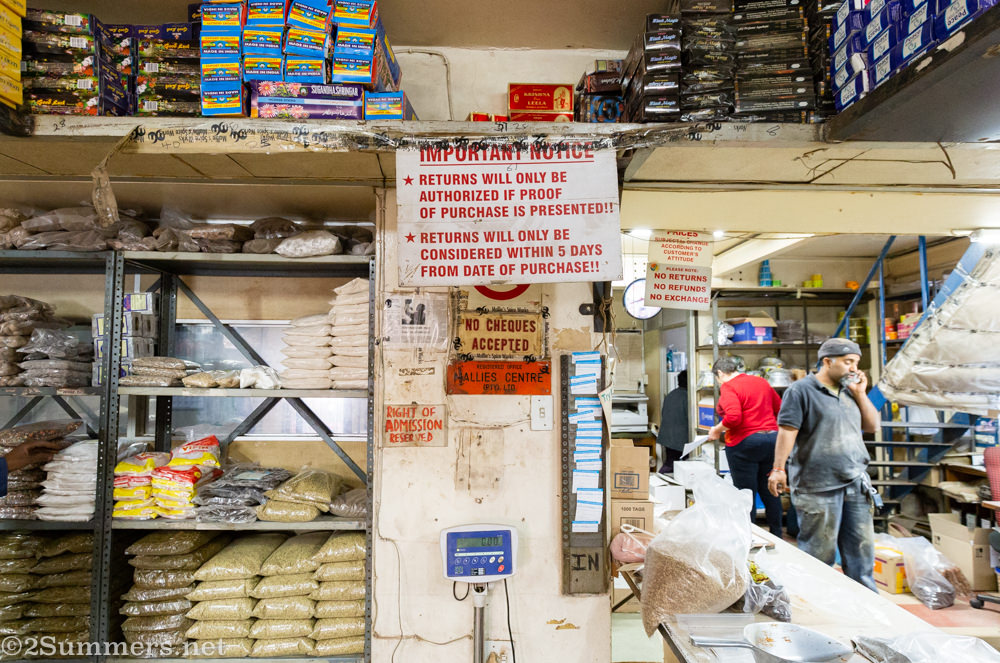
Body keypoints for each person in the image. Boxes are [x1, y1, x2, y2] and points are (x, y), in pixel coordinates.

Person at [768, 338, 880, 592]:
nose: (854, 368)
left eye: (856, 363)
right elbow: (787, 432)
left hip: (855, 483)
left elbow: (873, 426)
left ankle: (866, 612)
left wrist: (861, 394)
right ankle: (819, 609)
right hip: (817, 486)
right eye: (848, 362)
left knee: (861, 557)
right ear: (827, 362)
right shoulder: (801, 391)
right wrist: (778, 469)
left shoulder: (851, 390)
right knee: (819, 558)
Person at [707, 357, 785, 536]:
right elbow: (779, 407)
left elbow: (734, 417)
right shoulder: (761, 381)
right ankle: (777, 534)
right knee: (770, 488)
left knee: (745, 492)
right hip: (773, 440)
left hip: (745, 442)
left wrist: (717, 430)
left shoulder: (729, 387)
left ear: (719, 373)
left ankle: (748, 535)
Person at [656, 370, 688, 474]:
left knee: (671, 463)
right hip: (679, 440)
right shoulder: (688, 397)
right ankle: (658, 479)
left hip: (668, 438)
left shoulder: (671, 395)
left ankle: (660, 479)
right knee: (675, 465)